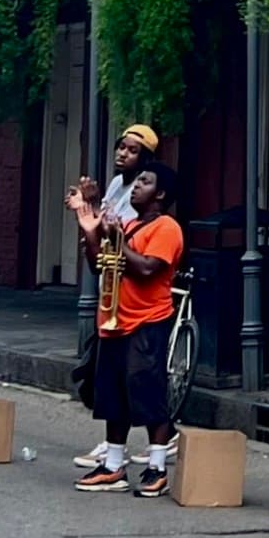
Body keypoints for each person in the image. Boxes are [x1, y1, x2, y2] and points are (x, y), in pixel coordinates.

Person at [73, 158, 184, 498]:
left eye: (145, 182)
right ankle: (113, 466)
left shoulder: (165, 228)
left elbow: (148, 269)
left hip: (147, 320)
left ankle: (156, 468)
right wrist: (90, 227)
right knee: (112, 395)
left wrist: (115, 236)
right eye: (136, 181)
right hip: (115, 320)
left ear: (160, 193)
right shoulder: (128, 226)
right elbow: (98, 265)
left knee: (147, 392)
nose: (135, 186)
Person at [67, 124, 160, 473]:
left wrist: (92, 210)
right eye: (121, 147)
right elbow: (101, 229)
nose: (122, 153)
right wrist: (87, 211)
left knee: (133, 376)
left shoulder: (145, 197)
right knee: (107, 372)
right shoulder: (117, 186)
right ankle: (117, 448)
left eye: (132, 150)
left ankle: (149, 447)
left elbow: (121, 236)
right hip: (111, 287)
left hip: (134, 293)